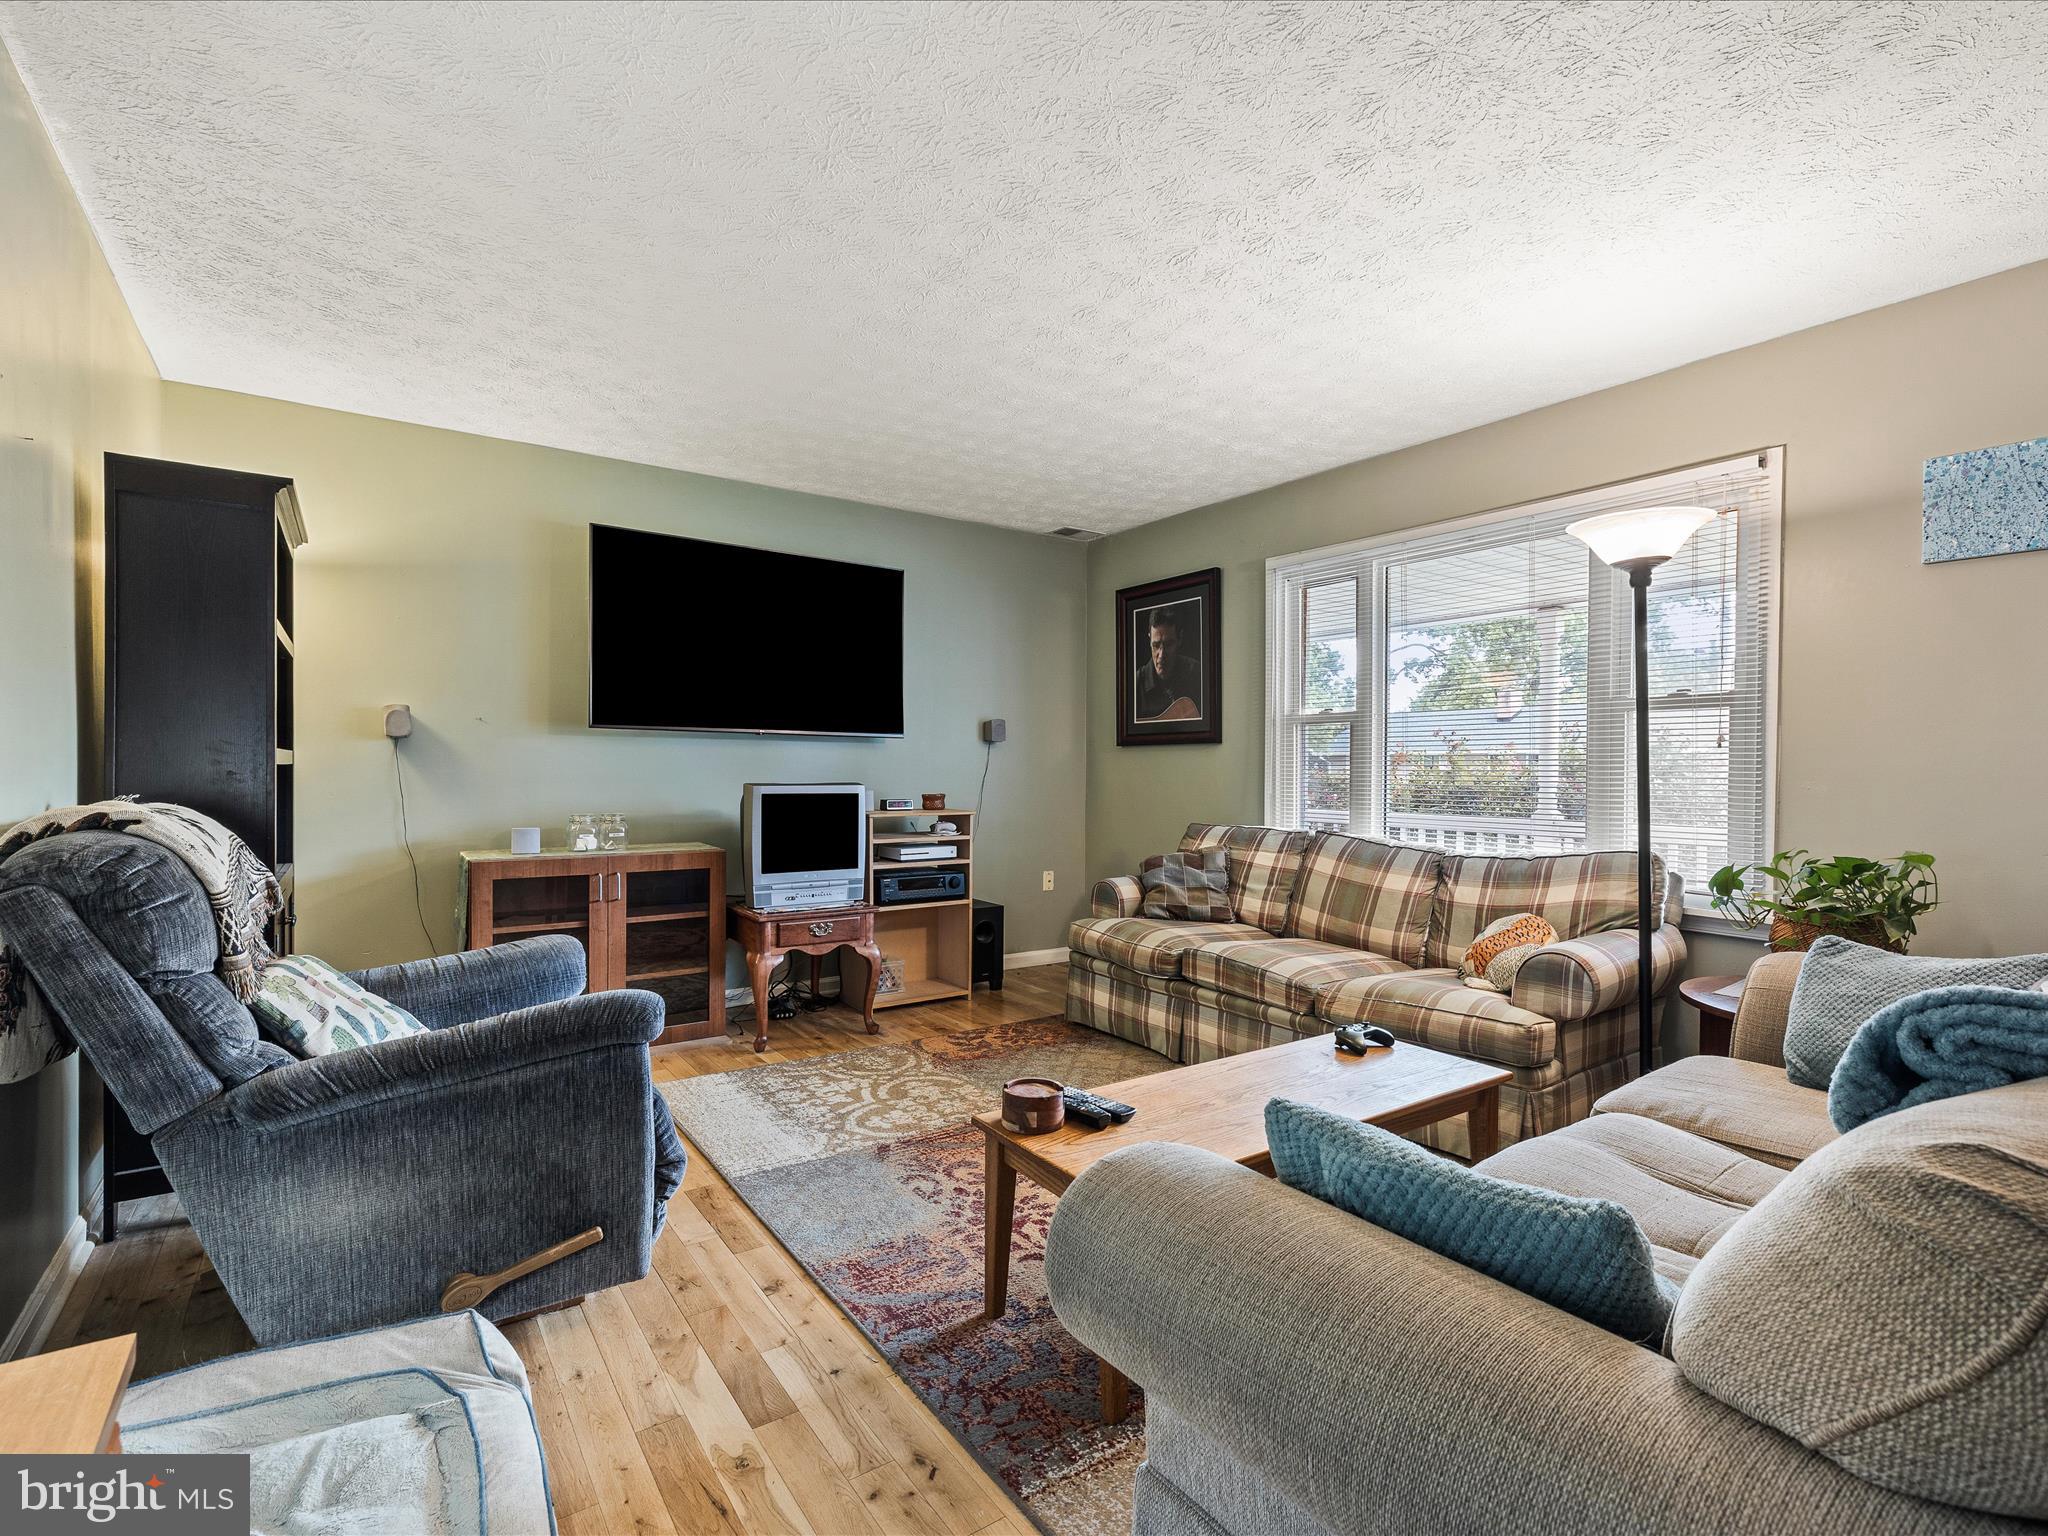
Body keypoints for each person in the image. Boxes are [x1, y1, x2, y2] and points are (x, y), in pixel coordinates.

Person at [1134, 606, 1203, 720]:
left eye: (1168, 645)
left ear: (1179, 639)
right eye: (1156, 645)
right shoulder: (1136, 685)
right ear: (1149, 639)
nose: (1161, 655)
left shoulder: (1197, 673)